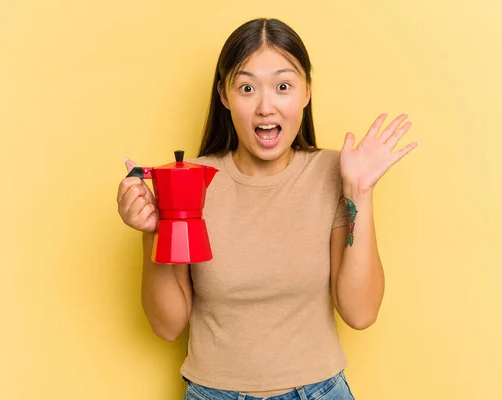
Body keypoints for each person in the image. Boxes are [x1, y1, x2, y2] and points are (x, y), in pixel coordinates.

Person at [117, 17, 418, 400]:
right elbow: (167, 325)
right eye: (246, 88)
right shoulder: (191, 180)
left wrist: (358, 191)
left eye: (282, 86)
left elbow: (360, 313)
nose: (265, 107)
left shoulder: (335, 172)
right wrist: (153, 230)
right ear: (224, 95)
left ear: (307, 91)